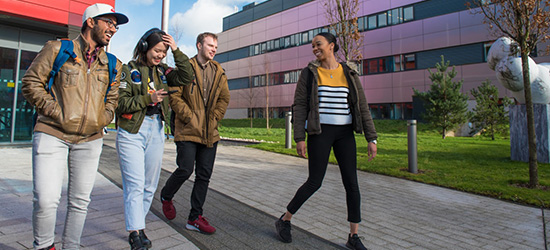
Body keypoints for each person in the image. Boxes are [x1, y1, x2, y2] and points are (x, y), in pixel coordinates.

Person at [21, 3, 128, 250]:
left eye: (116, 25)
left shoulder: (113, 63)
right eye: (109, 22)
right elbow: (31, 83)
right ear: (91, 21)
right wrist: (57, 113)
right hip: (52, 133)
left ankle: (72, 246)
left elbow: (112, 100)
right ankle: (44, 246)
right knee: (47, 199)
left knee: (80, 201)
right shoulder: (57, 49)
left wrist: (102, 119)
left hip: (90, 139)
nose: (113, 28)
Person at [275, 32, 378, 250]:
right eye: (313, 46)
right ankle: (285, 219)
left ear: (331, 46)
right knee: (314, 182)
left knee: (352, 183)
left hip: (345, 134)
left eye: (318, 44)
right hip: (319, 133)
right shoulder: (310, 73)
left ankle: (354, 236)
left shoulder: (349, 73)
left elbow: (362, 107)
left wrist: (372, 138)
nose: (314, 48)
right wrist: (299, 137)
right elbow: (300, 105)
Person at [115, 28, 194, 250]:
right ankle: (134, 232)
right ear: (144, 47)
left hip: (156, 129)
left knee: (149, 185)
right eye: (157, 50)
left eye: (164, 51)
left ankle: (139, 228)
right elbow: (120, 104)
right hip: (132, 131)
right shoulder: (128, 70)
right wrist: (147, 98)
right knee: (135, 184)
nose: (160, 55)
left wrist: (177, 51)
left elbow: (187, 76)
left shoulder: (164, 72)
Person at [159, 32, 230, 234]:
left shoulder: (219, 71)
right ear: (199, 45)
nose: (213, 50)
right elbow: (175, 96)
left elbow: (225, 97)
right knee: (185, 169)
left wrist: (215, 117)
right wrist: (190, 116)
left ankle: (194, 218)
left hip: (210, 132)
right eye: (210, 45)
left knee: (204, 176)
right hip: (188, 129)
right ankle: (166, 194)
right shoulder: (185, 68)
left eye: (215, 47)